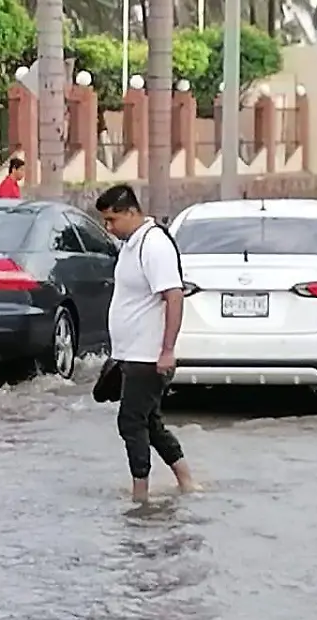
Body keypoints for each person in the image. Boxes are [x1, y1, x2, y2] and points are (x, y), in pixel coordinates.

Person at [95, 184, 198, 503]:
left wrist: (167, 350)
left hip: (148, 354)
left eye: (112, 220)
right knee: (149, 422)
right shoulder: (130, 244)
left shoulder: (154, 245)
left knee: (131, 421)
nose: (108, 228)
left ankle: (141, 496)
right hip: (129, 353)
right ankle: (186, 482)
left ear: (131, 212)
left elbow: (174, 296)